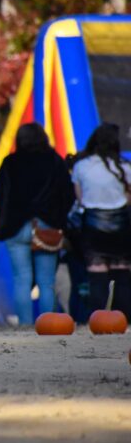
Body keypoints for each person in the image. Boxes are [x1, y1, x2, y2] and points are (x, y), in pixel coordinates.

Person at [0, 123, 74, 325]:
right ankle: (48, 324)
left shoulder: (11, 163)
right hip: (48, 226)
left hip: (15, 228)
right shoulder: (55, 161)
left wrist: (9, 210)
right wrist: (56, 215)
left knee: (21, 279)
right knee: (46, 282)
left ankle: (24, 326)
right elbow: (68, 195)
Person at [71, 123, 131, 319]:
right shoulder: (124, 167)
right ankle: (123, 320)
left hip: (93, 224)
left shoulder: (82, 166)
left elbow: (80, 199)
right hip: (121, 224)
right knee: (122, 277)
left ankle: (97, 319)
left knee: (97, 278)